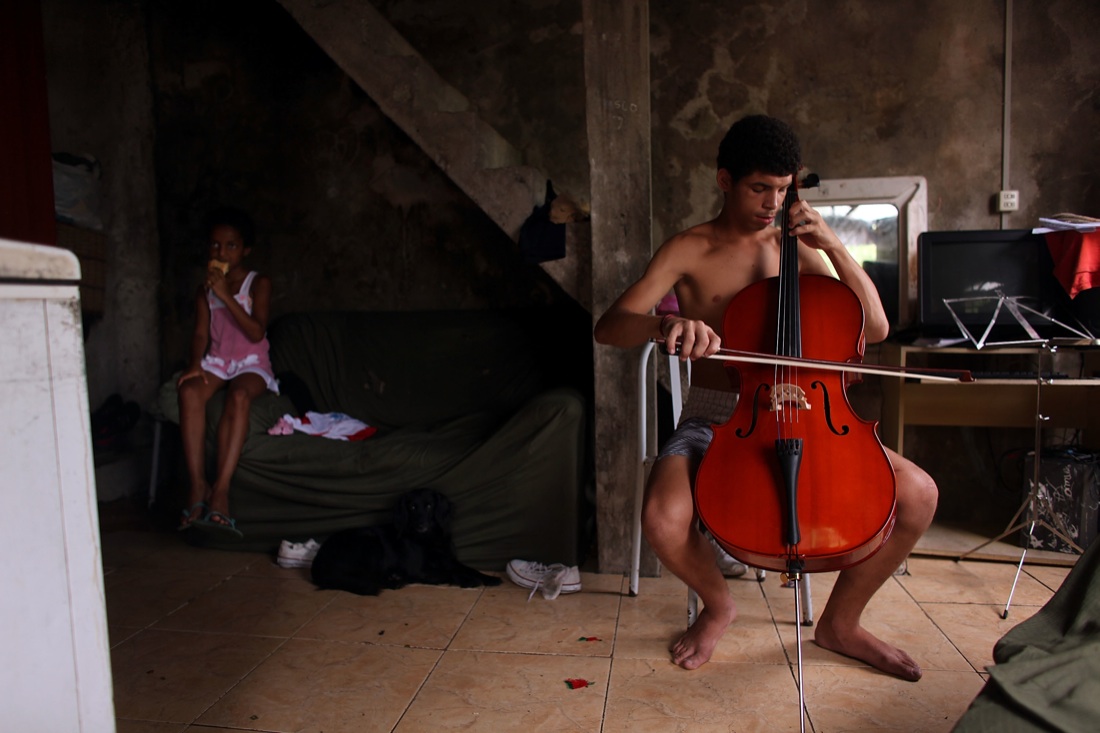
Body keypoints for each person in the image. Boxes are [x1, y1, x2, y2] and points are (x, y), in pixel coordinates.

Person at [593, 115, 937, 681]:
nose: (773, 202)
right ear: (725, 180)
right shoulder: (688, 249)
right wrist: (661, 327)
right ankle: (719, 604)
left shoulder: (801, 248)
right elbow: (610, 326)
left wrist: (832, 245)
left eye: (783, 189)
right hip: (714, 415)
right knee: (662, 519)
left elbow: (872, 328)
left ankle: (841, 623)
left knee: (919, 495)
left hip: (807, 413)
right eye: (760, 188)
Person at [177, 207, 279, 538]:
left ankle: (221, 491)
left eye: (231, 246)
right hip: (218, 360)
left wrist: (225, 294)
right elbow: (201, 335)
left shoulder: (257, 282)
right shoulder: (204, 289)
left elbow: (256, 333)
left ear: (245, 249)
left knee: (238, 395)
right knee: (189, 391)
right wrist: (195, 364)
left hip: (250, 361)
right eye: (216, 246)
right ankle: (197, 487)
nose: (222, 253)